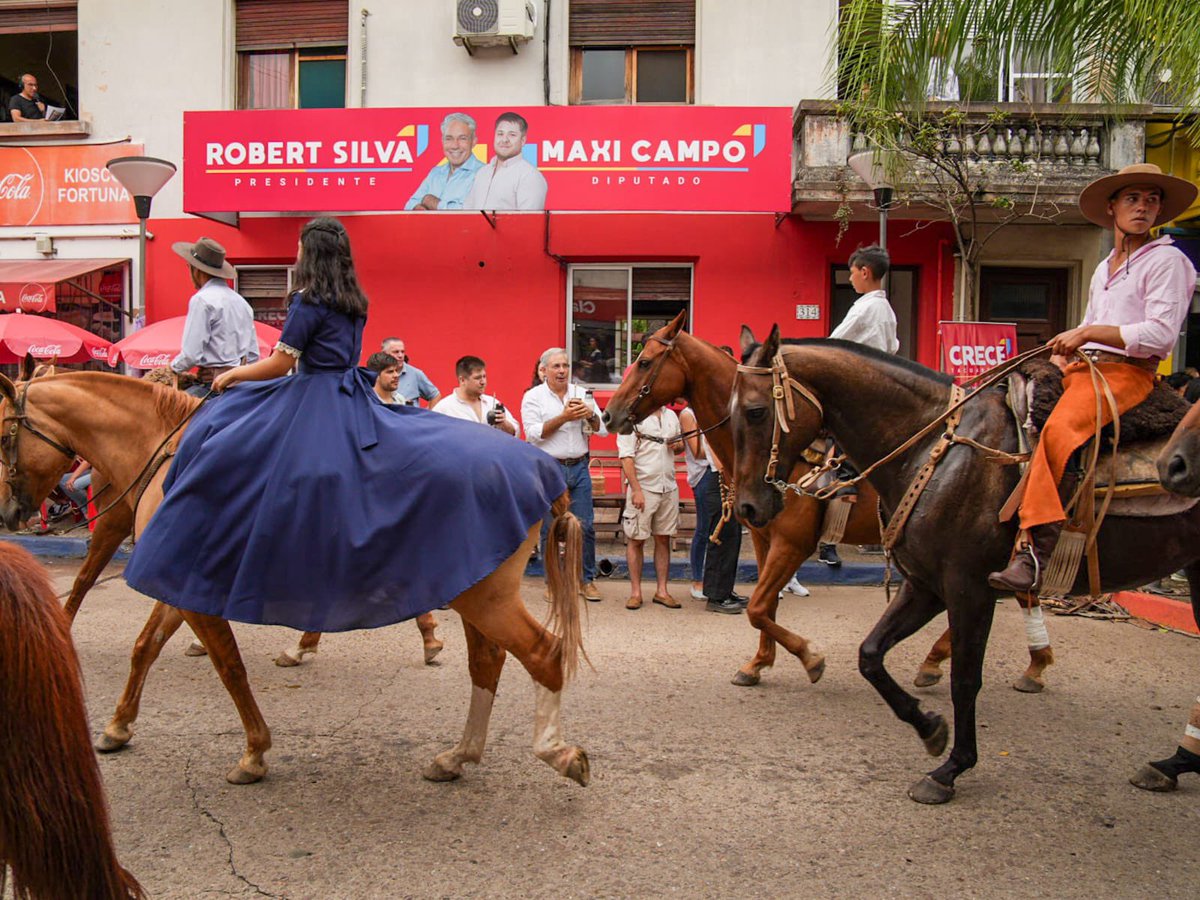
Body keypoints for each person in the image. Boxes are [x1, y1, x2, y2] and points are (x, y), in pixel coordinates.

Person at [123, 217, 566, 632]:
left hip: (312, 395)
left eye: (299, 247)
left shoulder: (306, 299)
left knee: (219, 441)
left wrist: (232, 376)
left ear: (309, 254)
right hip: (348, 394)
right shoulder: (354, 301)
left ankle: (216, 551)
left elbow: (280, 365)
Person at [989, 163, 1199, 593]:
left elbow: (1159, 333)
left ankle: (1036, 553)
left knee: (1061, 431)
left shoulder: (1168, 260)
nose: (1143, 207)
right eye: (1133, 199)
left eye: (1151, 200)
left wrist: (1086, 334)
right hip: (1087, 369)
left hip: (1128, 376)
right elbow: (1092, 320)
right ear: (1112, 208)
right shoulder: (1105, 266)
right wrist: (1069, 352)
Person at [817, 243, 899, 567]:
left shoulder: (865, 307)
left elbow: (834, 342)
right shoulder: (887, 310)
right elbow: (893, 347)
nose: (850, 279)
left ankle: (843, 491)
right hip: (879, 385)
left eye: (852, 273)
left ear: (865, 272)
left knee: (834, 449)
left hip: (857, 387)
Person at [522, 347, 605, 601]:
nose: (562, 371)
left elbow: (602, 430)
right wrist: (564, 417)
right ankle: (553, 583)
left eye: (565, 366)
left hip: (579, 466)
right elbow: (534, 434)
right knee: (550, 529)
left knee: (585, 527)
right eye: (556, 366)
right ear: (543, 370)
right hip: (549, 468)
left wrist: (589, 414)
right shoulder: (533, 397)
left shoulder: (582, 393)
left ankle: (586, 580)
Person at [170, 237, 259, 398]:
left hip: (211, 387)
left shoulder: (201, 300)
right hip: (241, 388)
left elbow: (191, 354)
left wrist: (171, 369)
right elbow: (253, 356)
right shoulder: (242, 302)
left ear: (196, 270)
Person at [617, 403, 682, 610]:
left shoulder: (671, 415)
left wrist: (677, 445)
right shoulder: (631, 417)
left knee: (663, 538)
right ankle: (635, 593)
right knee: (636, 540)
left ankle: (662, 591)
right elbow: (626, 457)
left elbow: (679, 447)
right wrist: (635, 489)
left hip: (668, 485)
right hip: (644, 486)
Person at [463, 112, 548, 211]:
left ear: (523, 140)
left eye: (512, 135)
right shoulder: (482, 172)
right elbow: (467, 213)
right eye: (500, 134)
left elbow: (529, 223)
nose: (504, 139)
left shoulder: (529, 176)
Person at [403, 112, 484, 211]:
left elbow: (469, 211)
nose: (455, 145)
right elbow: (410, 205)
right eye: (449, 139)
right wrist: (420, 208)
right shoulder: (435, 173)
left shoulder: (483, 173)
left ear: (474, 141)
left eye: (462, 138)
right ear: (442, 141)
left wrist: (431, 202)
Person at [433, 355, 518, 435]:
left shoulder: (492, 402)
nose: (483, 382)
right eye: (477, 378)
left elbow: (516, 432)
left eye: (484, 377)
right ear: (462, 380)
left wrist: (504, 424)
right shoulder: (444, 408)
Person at [380, 337, 440, 407]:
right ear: (384, 354)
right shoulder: (375, 374)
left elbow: (435, 395)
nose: (400, 355)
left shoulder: (415, 374)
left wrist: (426, 416)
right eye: (396, 352)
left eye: (402, 352)